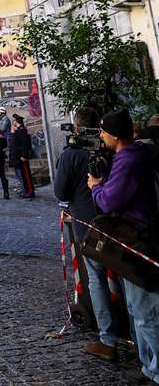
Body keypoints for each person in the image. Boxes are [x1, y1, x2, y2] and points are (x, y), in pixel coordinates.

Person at [89, 110, 159, 382]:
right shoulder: (135, 155)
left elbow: (109, 201)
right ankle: (148, 367)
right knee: (137, 308)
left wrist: (96, 187)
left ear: (115, 136)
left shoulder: (128, 159)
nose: (101, 136)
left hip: (137, 241)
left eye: (104, 132)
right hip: (135, 239)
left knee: (146, 314)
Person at [55, 106, 118, 361]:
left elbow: (61, 192)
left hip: (87, 225)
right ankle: (135, 337)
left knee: (97, 279)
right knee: (127, 279)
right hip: (118, 223)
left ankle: (107, 338)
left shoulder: (71, 155)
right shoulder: (111, 150)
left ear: (77, 128)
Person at [10, 114, 36, 198]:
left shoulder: (22, 131)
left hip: (22, 156)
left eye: (14, 121)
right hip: (19, 156)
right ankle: (26, 190)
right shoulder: (18, 131)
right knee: (23, 175)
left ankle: (30, 192)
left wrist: (24, 156)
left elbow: (25, 145)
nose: (13, 122)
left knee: (26, 175)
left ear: (16, 121)